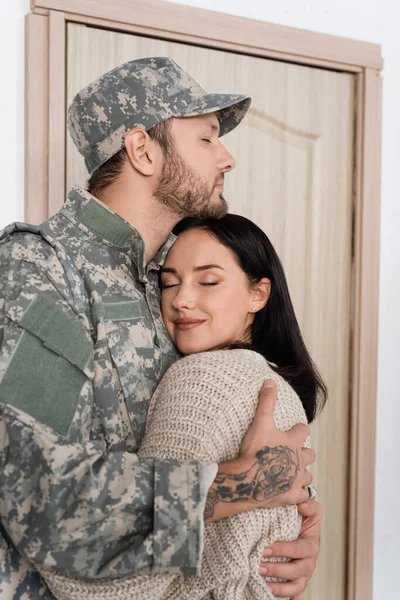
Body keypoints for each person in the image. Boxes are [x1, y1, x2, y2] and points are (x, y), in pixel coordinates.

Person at [0, 57, 321, 599]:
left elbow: (244, 429)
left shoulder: (184, 271)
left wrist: (287, 538)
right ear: (143, 149)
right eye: (206, 138)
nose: (227, 157)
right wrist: (248, 485)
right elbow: (43, 502)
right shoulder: (37, 273)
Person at [39, 214, 327, 600]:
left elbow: (119, 586)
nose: (181, 300)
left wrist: (35, 524)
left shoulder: (203, 379)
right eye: (169, 283)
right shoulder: (273, 383)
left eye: (208, 281)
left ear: (258, 294)